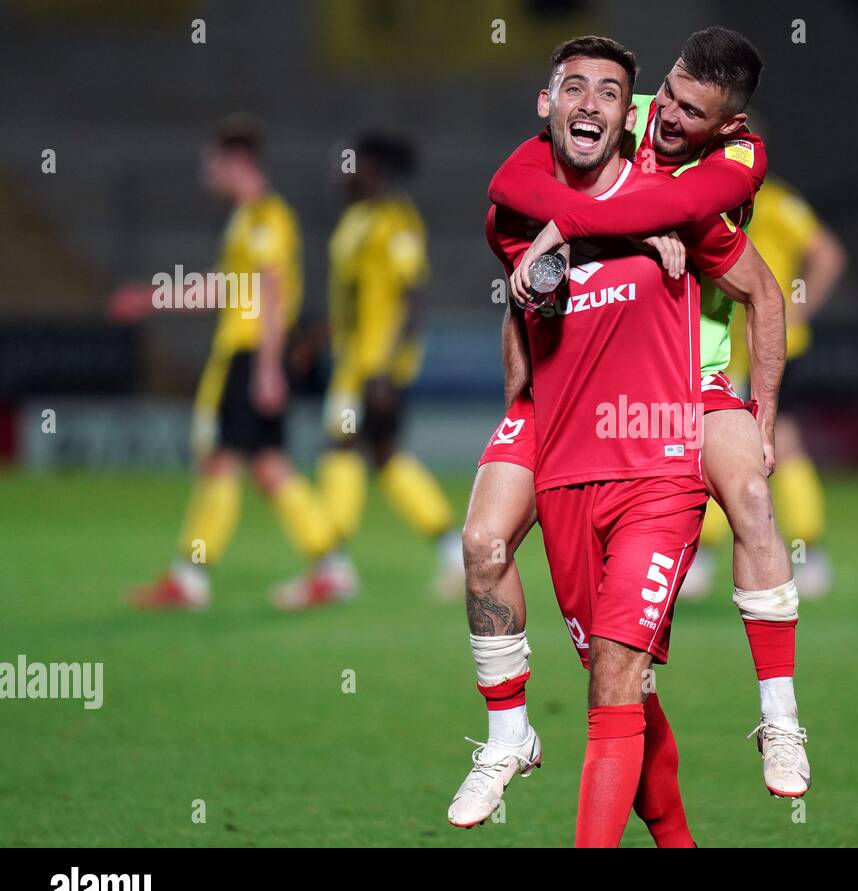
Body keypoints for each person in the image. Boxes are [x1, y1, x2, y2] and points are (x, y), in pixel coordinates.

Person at [458, 26, 811, 814]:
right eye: (670, 96)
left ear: (728, 126)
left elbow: (704, 227)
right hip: (570, 413)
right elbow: (513, 186)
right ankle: (510, 731)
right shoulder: (612, 119)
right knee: (596, 657)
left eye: (693, 113)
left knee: (752, 496)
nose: (669, 118)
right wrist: (571, 232)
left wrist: (765, 413)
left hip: (688, 385)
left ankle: (781, 717)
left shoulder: (733, 166)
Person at [114, 114, 343, 611]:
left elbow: (271, 288)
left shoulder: (264, 216)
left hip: (250, 355)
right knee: (266, 466)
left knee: (221, 460)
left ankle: (190, 578)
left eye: (212, 162)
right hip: (253, 353)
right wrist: (154, 297)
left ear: (235, 162)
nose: (208, 172)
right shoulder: (247, 219)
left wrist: (265, 367)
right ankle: (330, 568)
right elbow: (224, 287)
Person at [279, 132, 459, 608]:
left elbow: (412, 295)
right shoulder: (356, 221)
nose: (338, 170)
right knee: (385, 455)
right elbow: (353, 300)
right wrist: (317, 339)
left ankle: (333, 567)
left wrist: (389, 368)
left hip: (373, 369)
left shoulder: (395, 221)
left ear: (373, 169)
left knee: (340, 449)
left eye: (348, 162)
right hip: (354, 362)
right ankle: (456, 555)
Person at [691, 172, 848, 599]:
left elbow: (828, 255)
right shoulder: (707, 203)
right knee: (722, 446)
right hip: (728, 346)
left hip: (770, 345)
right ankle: (707, 554)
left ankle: (807, 552)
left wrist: (796, 311)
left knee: (778, 442)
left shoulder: (777, 204)